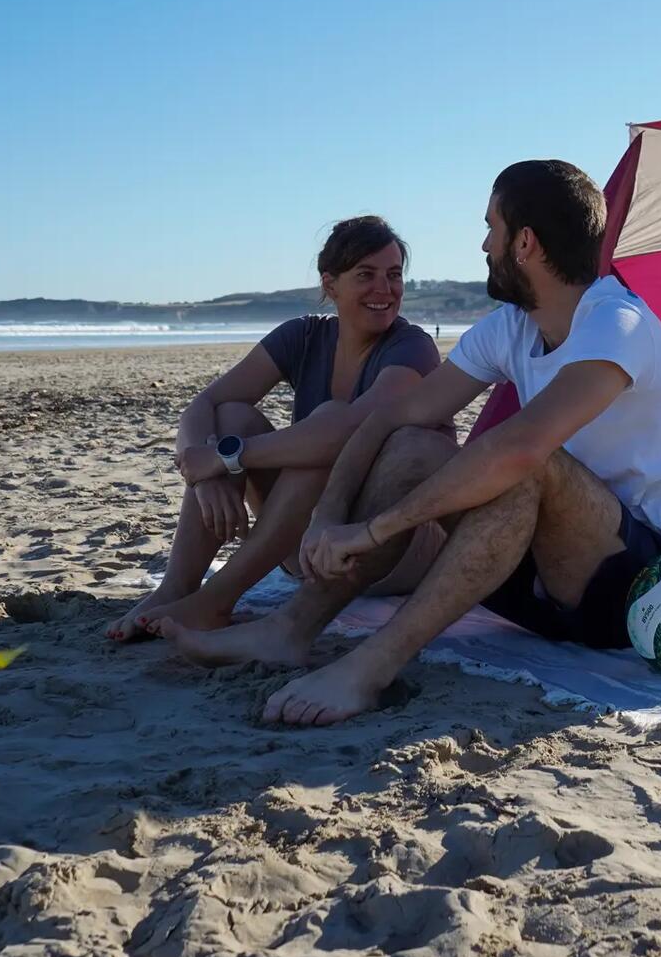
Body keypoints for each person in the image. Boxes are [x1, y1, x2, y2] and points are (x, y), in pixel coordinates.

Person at [157, 160, 661, 726]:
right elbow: (391, 418)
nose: (483, 244)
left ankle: (369, 668)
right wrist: (327, 515)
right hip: (539, 585)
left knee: (531, 467)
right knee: (416, 444)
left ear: (524, 242)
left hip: (643, 590)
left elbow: (523, 449)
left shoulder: (616, 324)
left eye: (491, 227)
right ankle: (290, 630)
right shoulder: (514, 327)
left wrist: (377, 527)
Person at [107, 216, 445, 641]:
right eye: (366, 275)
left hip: (394, 548)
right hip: (310, 544)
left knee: (324, 424)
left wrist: (226, 457)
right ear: (330, 284)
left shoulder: (411, 346)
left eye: (394, 275)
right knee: (231, 415)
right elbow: (203, 405)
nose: (385, 288)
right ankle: (178, 586)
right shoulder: (303, 336)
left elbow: (352, 432)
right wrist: (203, 475)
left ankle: (216, 601)